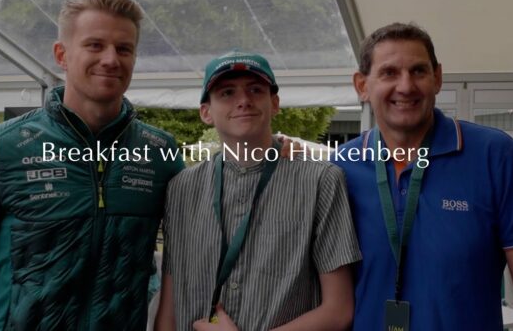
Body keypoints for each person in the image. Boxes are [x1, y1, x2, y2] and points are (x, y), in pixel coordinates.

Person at [0, 0, 184, 330]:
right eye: (94, 45)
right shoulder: (3, 146)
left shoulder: (160, 154)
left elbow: (191, 262)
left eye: (124, 49)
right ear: (61, 54)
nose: (111, 59)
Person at [332, 22, 513, 330]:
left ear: (438, 78)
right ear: (362, 85)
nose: (406, 86)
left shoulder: (494, 155)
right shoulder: (340, 167)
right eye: (389, 73)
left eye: (418, 71)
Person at [155, 51, 361, 331]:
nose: (243, 101)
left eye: (255, 90)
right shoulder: (181, 189)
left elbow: (339, 310)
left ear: (274, 103)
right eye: (227, 93)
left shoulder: (321, 181)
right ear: (206, 112)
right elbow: (169, 304)